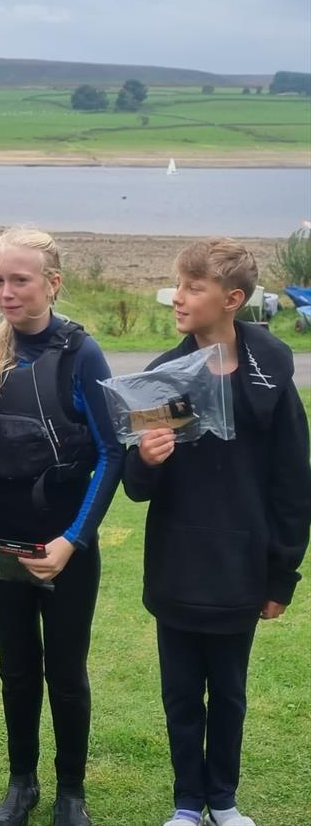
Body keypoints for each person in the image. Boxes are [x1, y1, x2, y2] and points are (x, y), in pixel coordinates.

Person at [122, 239, 311, 826]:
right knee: (180, 693)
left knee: (228, 693)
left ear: (231, 299)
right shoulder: (161, 376)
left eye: (192, 288)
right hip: (178, 564)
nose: (177, 298)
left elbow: (292, 482)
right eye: (177, 285)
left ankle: (223, 801)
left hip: (243, 568)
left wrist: (281, 573)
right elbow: (135, 485)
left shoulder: (272, 369)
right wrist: (147, 459)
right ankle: (186, 803)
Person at [0, 229, 123, 826]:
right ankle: (22, 782)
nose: (5, 291)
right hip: (2, 539)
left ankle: (71, 791)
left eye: (19, 280)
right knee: (15, 668)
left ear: (52, 284)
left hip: (64, 539)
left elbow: (112, 452)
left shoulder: (81, 352)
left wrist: (71, 541)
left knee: (65, 667)